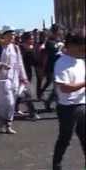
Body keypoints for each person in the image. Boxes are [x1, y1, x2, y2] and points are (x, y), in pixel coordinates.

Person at [52, 32, 85, 170]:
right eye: (82, 48)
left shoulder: (81, 61)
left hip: (82, 104)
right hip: (67, 108)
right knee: (65, 138)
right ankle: (57, 164)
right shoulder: (61, 63)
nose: (84, 51)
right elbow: (65, 88)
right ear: (71, 46)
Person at [0, 29, 28, 134]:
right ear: (4, 36)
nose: (12, 37)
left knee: (12, 104)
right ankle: (2, 120)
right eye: (10, 35)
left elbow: (20, 63)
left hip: (15, 79)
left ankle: (8, 124)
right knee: (7, 102)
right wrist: (0, 66)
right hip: (2, 79)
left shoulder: (16, 48)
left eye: (13, 35)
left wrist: (23, 77)